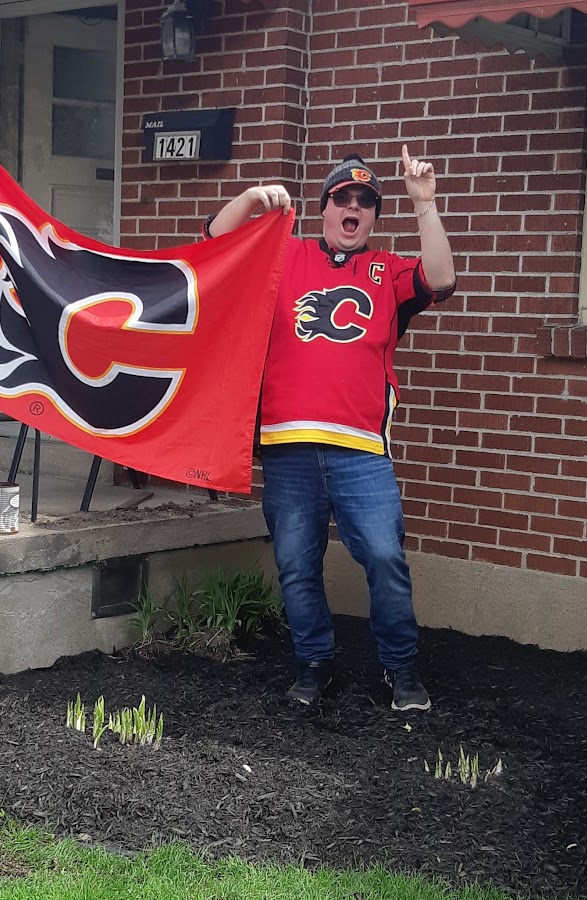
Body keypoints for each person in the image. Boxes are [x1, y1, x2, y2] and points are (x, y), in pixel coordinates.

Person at [203, 146, 456, 712]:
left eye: (365, 202)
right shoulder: (284, 256)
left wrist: (425, 204)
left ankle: (400, 669)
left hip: (361, 451)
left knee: (385, 558)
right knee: (296, 565)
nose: (353, 208)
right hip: (288, 447)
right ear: (324, 209)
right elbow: (215, 244)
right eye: (343, 198)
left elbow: (441, 278)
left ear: (373, 217)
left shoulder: (387, 270)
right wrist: (250, 199)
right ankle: (313, 663)